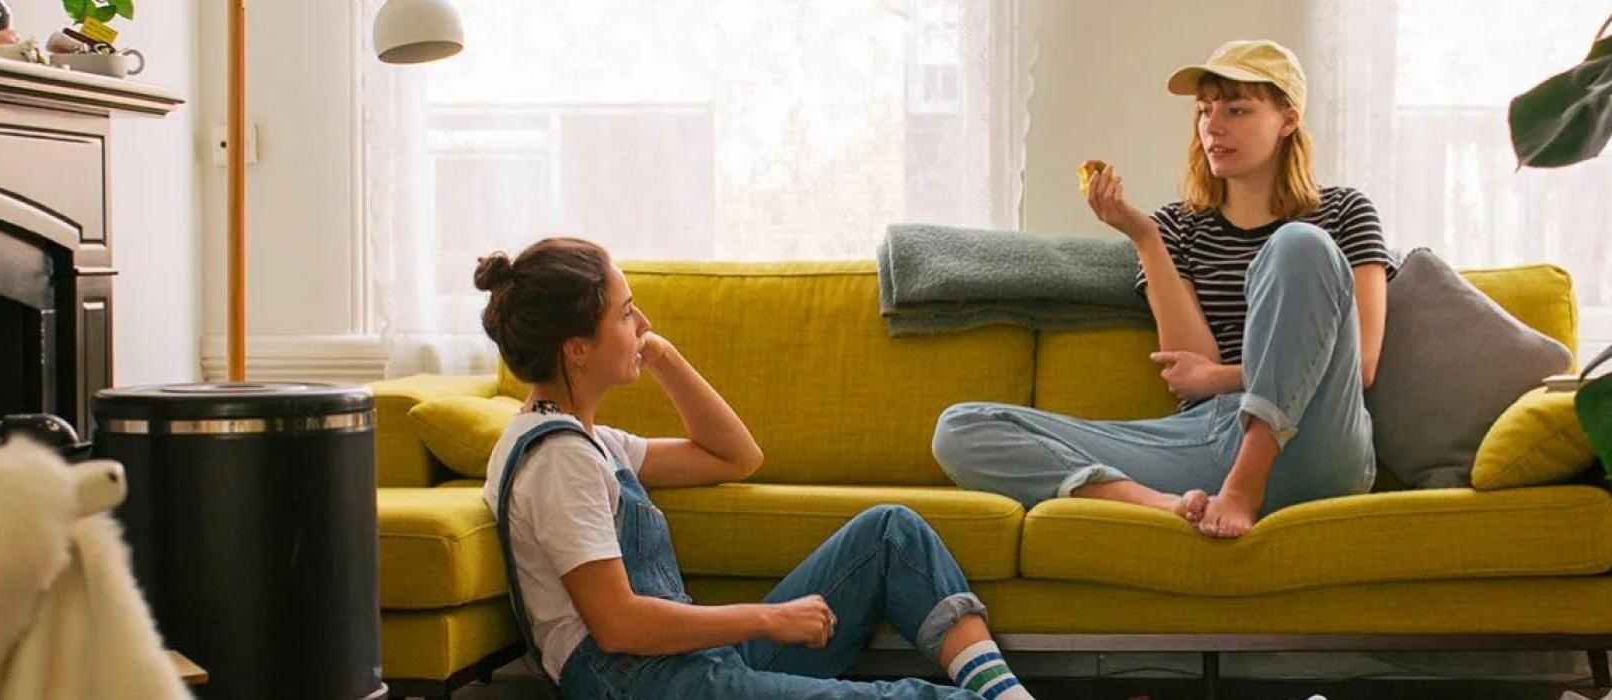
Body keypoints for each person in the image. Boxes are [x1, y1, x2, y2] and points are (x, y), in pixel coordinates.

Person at [478, 237, 1035, 698]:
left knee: (891, 532)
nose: (642, 322)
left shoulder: (587, 440)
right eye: (626, 314)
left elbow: (735, 457)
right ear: (577, 349)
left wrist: (665, 359)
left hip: (688, 665)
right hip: (649, 685)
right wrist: (768, 618)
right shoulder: (560, 462)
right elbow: (618, 623)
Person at [932, 40, 1395, 539]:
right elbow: (1186, 365)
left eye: (1237, 110)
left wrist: (1219, 377)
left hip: (1317, 440)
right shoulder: (1176, 226)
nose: (1213, 126)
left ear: (1287, 119)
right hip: (1207, 440)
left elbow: (1361, 364)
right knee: (963, 427)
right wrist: (1145, 237)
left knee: (1299, 244)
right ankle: (1161, 506)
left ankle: (1243, 488)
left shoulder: (1345, 212)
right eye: (1204, 110)